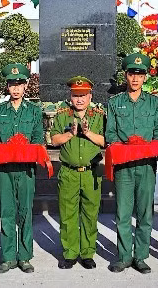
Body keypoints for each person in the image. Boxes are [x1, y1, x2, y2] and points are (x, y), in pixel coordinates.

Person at [106, 52, 158, 274]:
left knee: (144, 214)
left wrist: (147, 147)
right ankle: (124, 257)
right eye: (132, 74)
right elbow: (110, 133)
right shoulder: (115, 103)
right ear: (126, 75)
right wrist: (125, 146)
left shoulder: (153, 103)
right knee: (123, 213)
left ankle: (141, 256)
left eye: (140, 75)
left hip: (146, 165)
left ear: (145, 77)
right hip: (124, 166)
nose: (135, 79)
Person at [0, 63, 44, 274]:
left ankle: (25, 256)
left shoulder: (34, 111)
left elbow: (38, 138)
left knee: (25, 212)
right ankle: (8, 257)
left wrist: (24, 148)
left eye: (20, 84)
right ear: (7, 86)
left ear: (26, 86)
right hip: (5, 169)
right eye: (12, 84)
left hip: (26, 169)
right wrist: (9, 148)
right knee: (7, 212)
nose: (16, 89)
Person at [50, 76, 105, 270]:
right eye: (75, 95)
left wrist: (88, 133)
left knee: (90, 214)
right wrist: (70, 134)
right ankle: (70, 253)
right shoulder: (63, 115)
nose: (79, 99)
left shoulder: (99, 116)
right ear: (70, 96)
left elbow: (106, 141)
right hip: (69, 173)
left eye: (83, 95)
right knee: (68, 215)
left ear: (90, 96)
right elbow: (54, 140)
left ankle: (88, 253)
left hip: (91, 173)